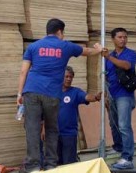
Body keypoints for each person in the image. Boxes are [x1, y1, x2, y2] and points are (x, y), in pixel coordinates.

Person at [17, 18, 103, 172]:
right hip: (51, 93)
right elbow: (88, 52)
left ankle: (33, 167)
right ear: (60, 32)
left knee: (32, 129)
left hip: (31, 90)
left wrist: (19, 93)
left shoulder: (33, 46)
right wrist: (98, 48)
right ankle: (50, 164)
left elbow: (24, 71)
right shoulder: (65, 46)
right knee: (51, 129)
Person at [102, 27, 136, 170]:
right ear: (113, 39)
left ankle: (127, 158)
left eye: (125, 37)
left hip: (124, 95)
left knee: (124, 125)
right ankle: (118, 147)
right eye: (120, 37)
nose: (123, 39)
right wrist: (105, 94)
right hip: (112, 93)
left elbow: (126, 65)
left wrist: (109, 57)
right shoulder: (109, 56)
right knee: (114, 124)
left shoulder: (130, 54)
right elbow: (105, 75)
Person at [57, 66, 101, 165]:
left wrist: (95, 97)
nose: (69, 79)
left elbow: (86, 97)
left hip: (69, 134)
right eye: (66, 76)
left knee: (69, 163)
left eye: (71, 77)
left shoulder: (75, 92)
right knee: (55, 164)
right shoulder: (53, 91)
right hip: (54, 134)